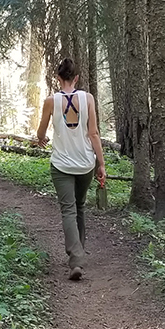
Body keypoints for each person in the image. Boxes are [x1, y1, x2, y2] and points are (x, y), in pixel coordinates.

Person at [35, 58, 107, 281]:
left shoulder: (50, 101)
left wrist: (41, 139)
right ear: (76, 78)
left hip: (61, 165)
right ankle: (79, 253)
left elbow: (41, 132)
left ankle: (76, 257)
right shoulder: (88, 99)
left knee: (68, 209)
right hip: (85, 162)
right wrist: (101, 163)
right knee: (80, 207)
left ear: (58, 78)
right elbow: (93, 133)